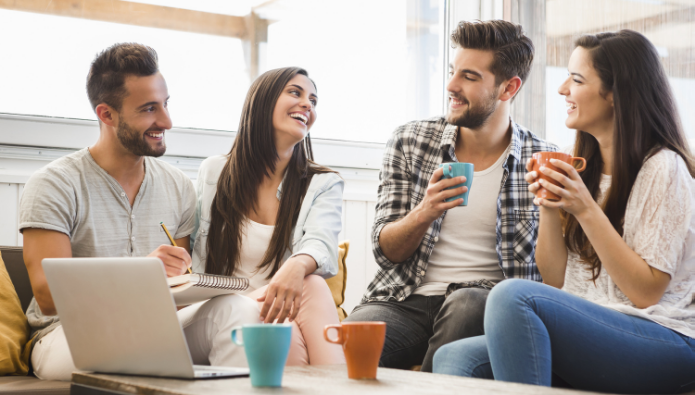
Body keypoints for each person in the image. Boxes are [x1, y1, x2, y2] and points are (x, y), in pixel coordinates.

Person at [432, 30, 695, 394]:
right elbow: (555, 280)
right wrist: (551, 208)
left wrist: (585, 209)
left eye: (576, 79)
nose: (562, 90)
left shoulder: (663, 167)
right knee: (453, 359)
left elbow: (645, 293)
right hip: (594, 330)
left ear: (615, 94)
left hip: (664, 338)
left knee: (511, 296)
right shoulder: (584, 168)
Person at [20, 43, 259, 381]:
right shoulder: (54, 183)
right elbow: (46, 296)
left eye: (165, 104)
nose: (167, 121)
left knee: (240, 310)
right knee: (129, 349)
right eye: (149, 109)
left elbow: (177, 287)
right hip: (68, 335)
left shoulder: (177, 185)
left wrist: (190, 283)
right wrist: (141, 272)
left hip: (153, 329)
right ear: (107, 114)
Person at [343, 20, 557, 372]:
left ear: (508, 88)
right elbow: (387, 253)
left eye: (469, 77)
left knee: (469, 305)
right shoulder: (410, 141)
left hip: (483, 301)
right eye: (452, 71)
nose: (451, 86)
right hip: (405, 300)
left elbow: (548, 277)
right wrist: (425, 211)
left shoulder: (541, 159)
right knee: (351, 341)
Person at [190, 67, 345, 365]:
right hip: (223, 311)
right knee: (300, 301)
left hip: (280, 312)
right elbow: (190, 251)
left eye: (313, 99)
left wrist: (297, 265)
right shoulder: (214, 173)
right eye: (295, 93)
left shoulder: (323, 184)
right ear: (262, 101)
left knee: (306, 291)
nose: (307, 105)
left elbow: (321, 243)